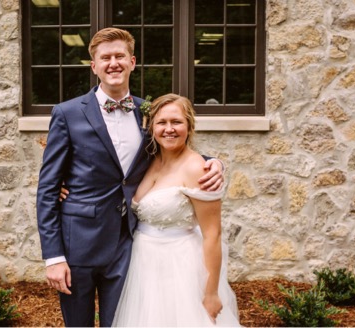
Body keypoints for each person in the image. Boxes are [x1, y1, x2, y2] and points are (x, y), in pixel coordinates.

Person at [36, 27, 224, 327]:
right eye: (105, 57)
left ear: (132, 62)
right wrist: (53, 256)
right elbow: (47, 189)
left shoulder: (146, 113)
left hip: (128, 246)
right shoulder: (67, 114)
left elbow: (171, 150)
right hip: (78, 245)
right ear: (94, 66)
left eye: (120, 56)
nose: (114, 63)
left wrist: (213, 162)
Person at [111, 94, 240, 326]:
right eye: (161, 123)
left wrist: (211, 293)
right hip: (143, 263)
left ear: (189, 126)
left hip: (179, 265)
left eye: (176, 122)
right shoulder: (148, 160)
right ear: (151, 127)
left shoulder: (198, 169)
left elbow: (213, 235)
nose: (169, 129)